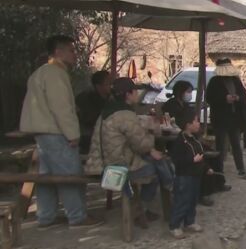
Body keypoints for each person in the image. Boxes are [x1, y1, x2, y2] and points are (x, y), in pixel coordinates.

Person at [20, 35, 102, 229]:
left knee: (46, 177)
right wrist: (72, 134)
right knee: (69, 174)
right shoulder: (55, 74)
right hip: (56, 131)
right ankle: (77, 216)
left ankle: (45, 216)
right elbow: (61, 108)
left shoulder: (41, 72)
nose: (75, 54)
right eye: (71, 50)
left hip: (43, 131)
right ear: (58, 52)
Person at [85, 77, 173, 228]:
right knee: (157, 168)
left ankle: (166, 187)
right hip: (117, 169)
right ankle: (143, 207)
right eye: (135, 91)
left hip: (99, 165)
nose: (137, 94)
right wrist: (151, 131)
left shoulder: (106, 112)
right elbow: (142, 144)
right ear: (128, 94)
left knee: (156, 160)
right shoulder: (125, 115)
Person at [168, 108, 212, 239]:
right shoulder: (180, 141)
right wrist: (191, 160)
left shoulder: (195, 139)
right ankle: (174, 225)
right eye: (196, 121)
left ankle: (189, 222)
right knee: (182, 200)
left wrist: (206, 168)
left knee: (193, 200)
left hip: (196, 175)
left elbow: (201, 156)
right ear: (188, 124)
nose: (198, 123)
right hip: (184, 176)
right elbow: (177, 160)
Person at [206, 58, 246, 179]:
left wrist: (237, 98)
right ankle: (219, 170)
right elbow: (209, 98)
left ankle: (241, 169)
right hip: (220, 118)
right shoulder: (214, 82)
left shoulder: (236, 81)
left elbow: (244, 96)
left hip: (235, 118)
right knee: (221, 145)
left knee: (236, 144)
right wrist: (224, 99)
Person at [76, 70, 112, 155]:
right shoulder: (86, 99)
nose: (111, 86)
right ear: (98, 86)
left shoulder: (111, 98)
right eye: (108, 83)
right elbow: (89, 119)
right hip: (88, 136)